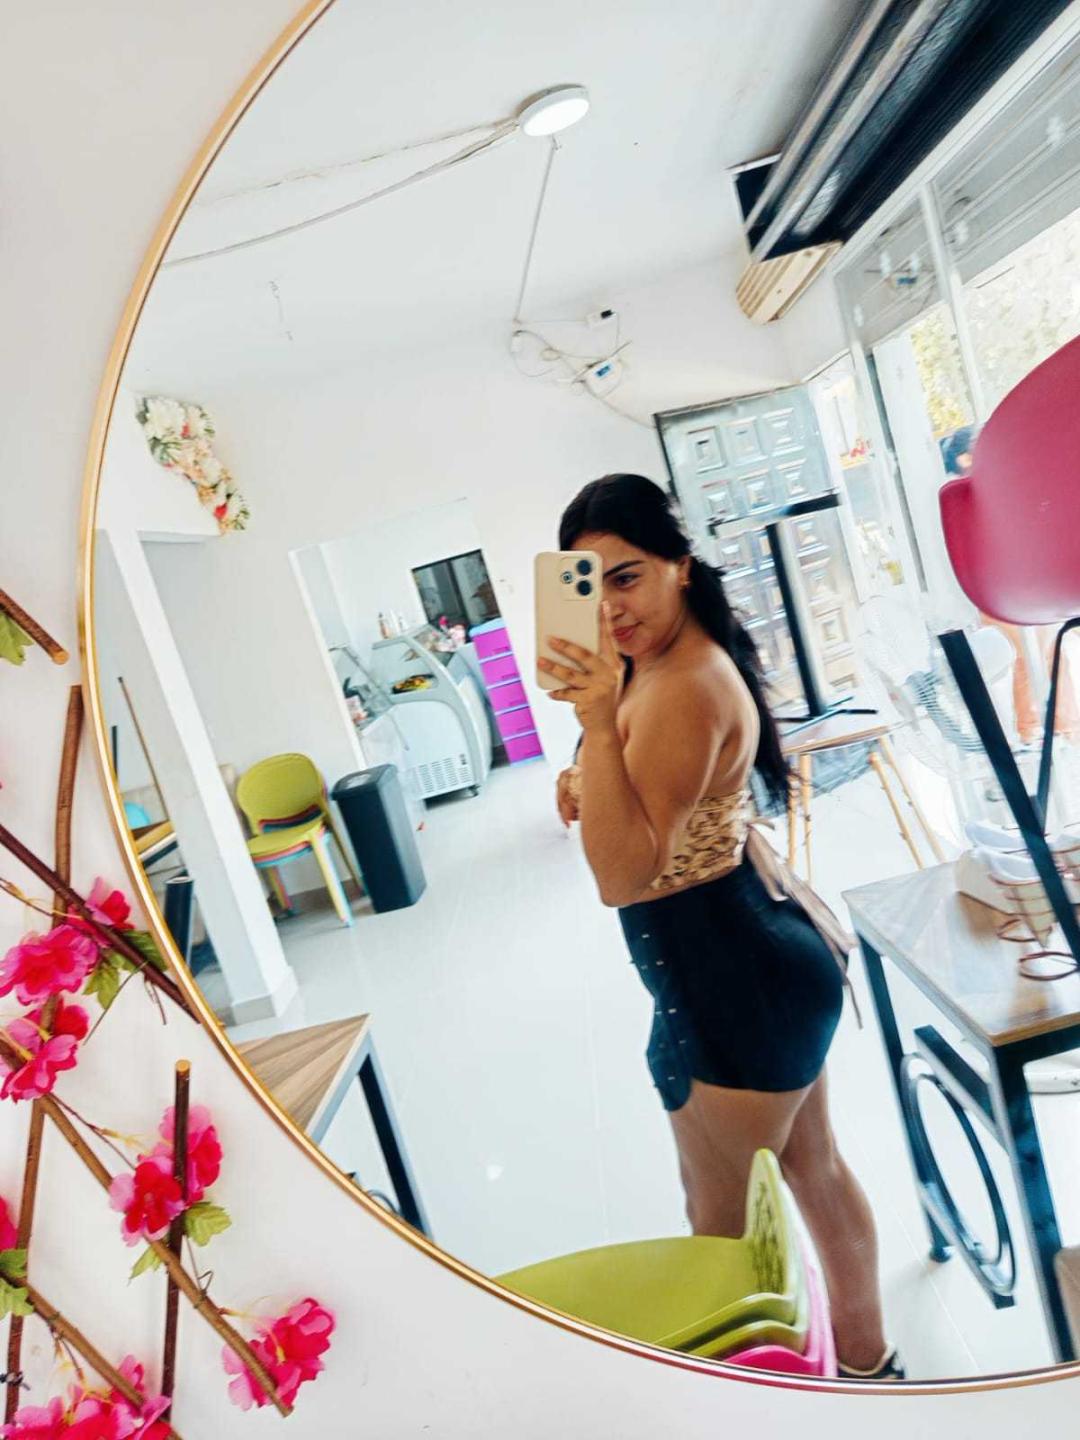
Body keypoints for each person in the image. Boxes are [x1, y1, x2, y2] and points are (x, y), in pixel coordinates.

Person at [541, 474, 900, 1380]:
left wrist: (596, 725)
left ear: (680, 567)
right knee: (814, 1169)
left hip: (734, 984)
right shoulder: (658, 668)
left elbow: (623, 877)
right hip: (755, 962)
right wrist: (588, 763)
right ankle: (868, 1365)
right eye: (589, 586)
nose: (610, 608)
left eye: (628, 577)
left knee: (721, 1236)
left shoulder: (683, 687)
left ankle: (776, 1401)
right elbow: (644, 796)